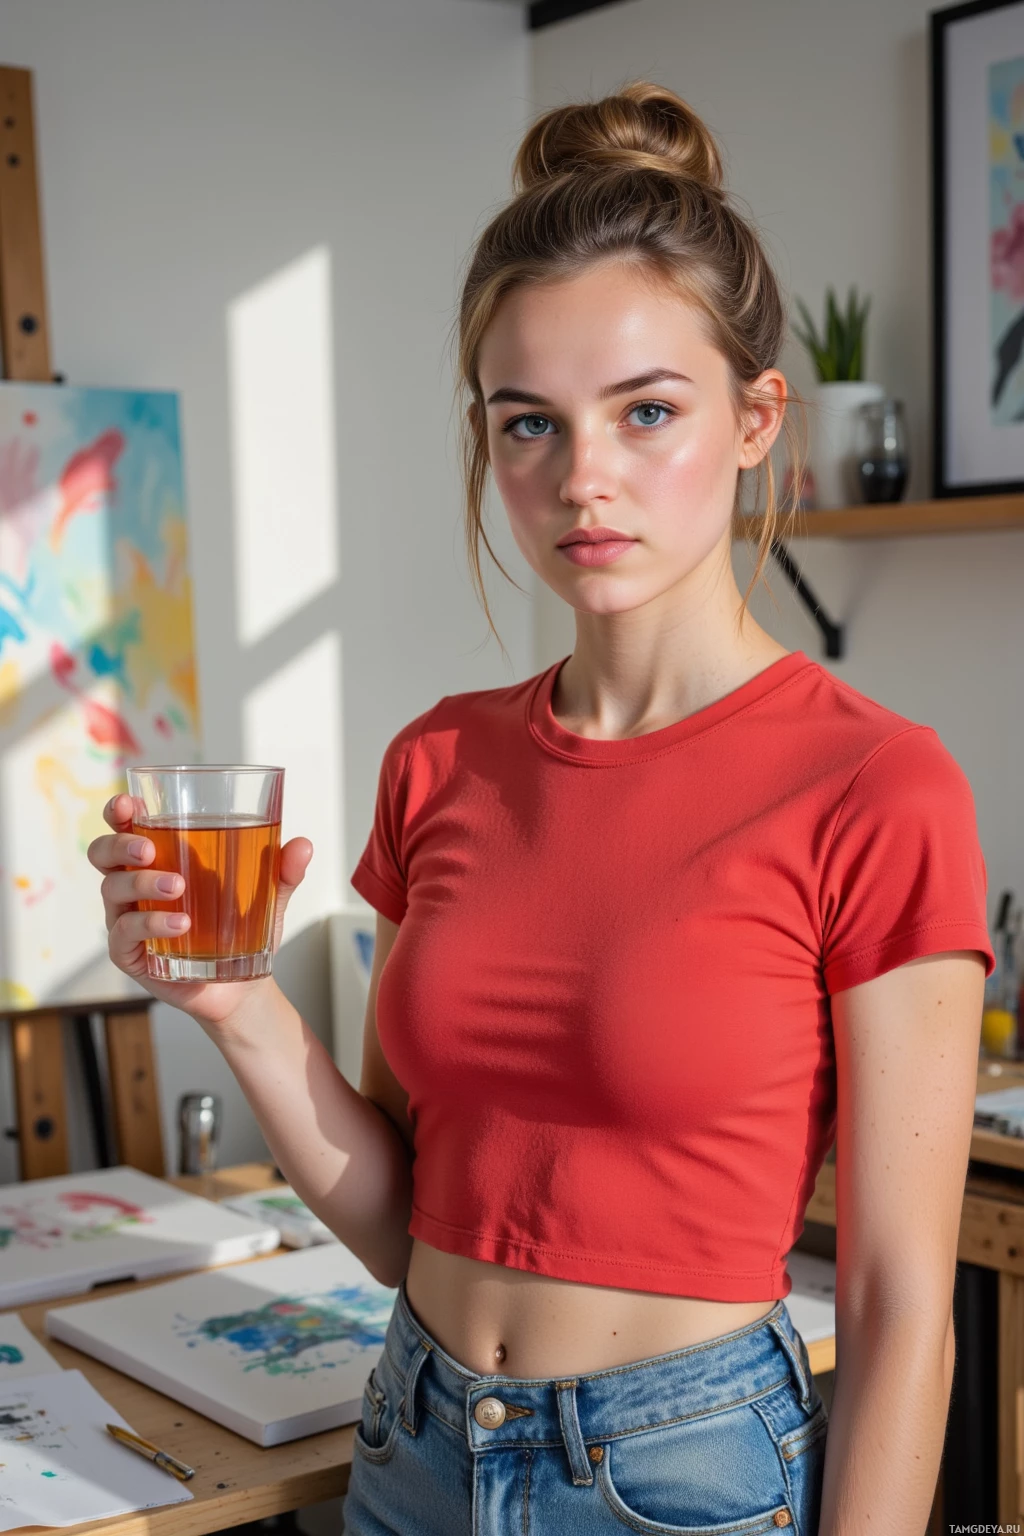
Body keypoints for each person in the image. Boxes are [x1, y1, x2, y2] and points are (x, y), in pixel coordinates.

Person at [89, 82, 995, 1536]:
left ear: (759, 417)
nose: (583, 480)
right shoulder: (438, 764)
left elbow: (900, 1311)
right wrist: (240, 1010)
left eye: (647, 412)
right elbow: (405, 1227)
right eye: (529, 424)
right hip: (413, 1444)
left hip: (682, 1478)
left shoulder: (875, 788)